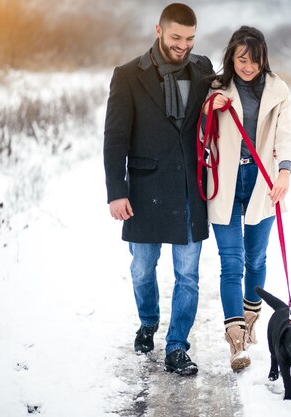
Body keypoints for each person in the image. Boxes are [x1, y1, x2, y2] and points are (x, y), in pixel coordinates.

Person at [103, 3, 214, 376]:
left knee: (188, 276)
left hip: (188, 189)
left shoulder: (203, 69)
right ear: (159, 31)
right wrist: (115, 191)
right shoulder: (127, 75)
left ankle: (177, 346)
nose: (183, 45)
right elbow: (115, 137)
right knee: (142, 269)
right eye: (176, 37)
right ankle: (148, 321)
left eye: (190, 38)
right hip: (145, 190)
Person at [202, 26, 291, 371]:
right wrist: (211, 108)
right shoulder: (214, 88)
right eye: (242, 59)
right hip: (225, 182)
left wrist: (284, 171)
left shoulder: (278, 90)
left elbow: (286, 134)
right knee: (231, 261)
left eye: (254, 61)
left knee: (256, 260)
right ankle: (236, 342)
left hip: (263, 182)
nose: (248, 67)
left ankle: (251, 316)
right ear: (231, 56)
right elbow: (199, 135)